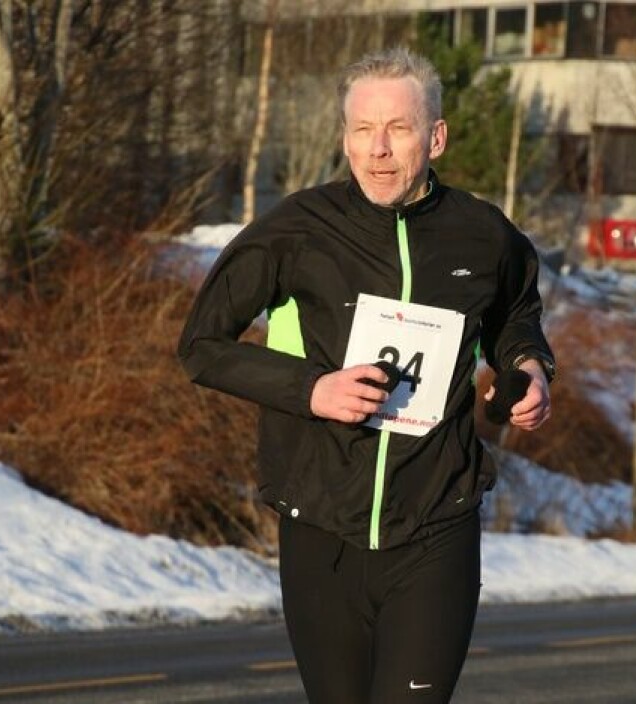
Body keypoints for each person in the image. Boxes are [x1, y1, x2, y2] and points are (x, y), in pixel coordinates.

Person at [178, 47, 555, 704]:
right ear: (344, 137)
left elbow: (515, 316)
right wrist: (312, 390)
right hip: (321, 524)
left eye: (399, 129)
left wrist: (527, 367)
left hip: (436, 523)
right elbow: (202, 347)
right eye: (362, 130)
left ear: (435, 136)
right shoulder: (296, 229)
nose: (379, 150)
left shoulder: (483, 235)